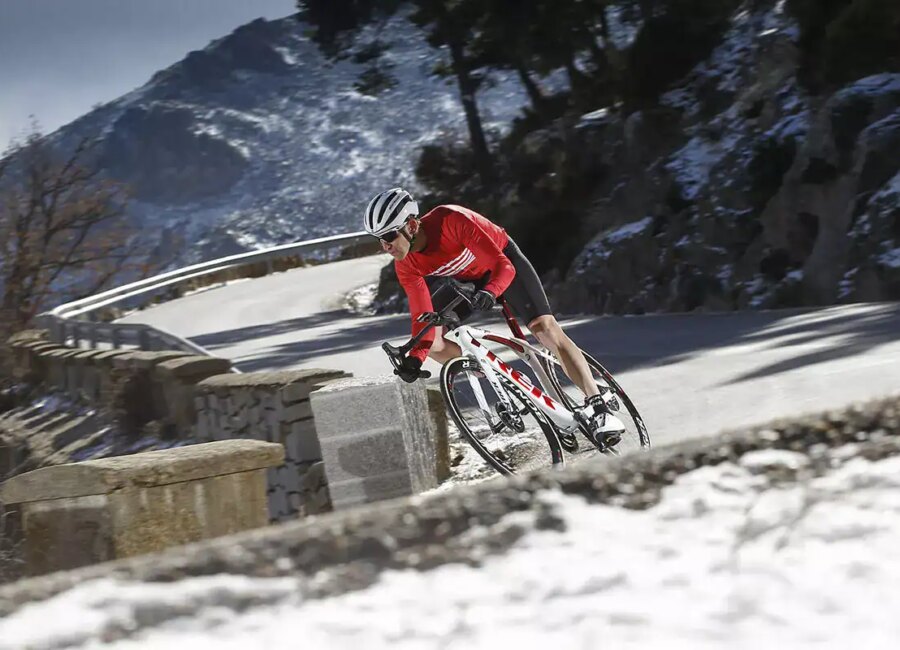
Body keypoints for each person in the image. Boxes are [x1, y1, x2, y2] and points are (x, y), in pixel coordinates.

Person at [364, 187, 625, 444]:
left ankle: (598, 407)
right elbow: (422, 317)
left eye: (389, 235)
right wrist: (415, 358)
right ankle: (497, 376)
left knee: (544, 329)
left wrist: (491, 291)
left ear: (411, 226)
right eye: (379, 240)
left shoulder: (451, 220)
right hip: (468, 281)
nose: (385, 246)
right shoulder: (405, 265)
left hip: (503, 264)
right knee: (434, 341)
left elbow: (503, 266)